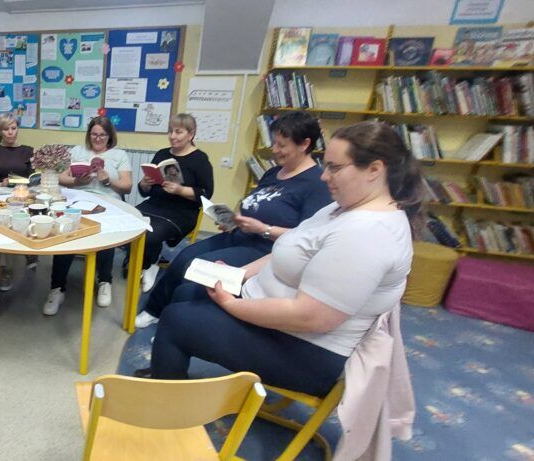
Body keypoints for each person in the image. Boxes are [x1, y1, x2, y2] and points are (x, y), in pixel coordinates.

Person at [134, 120, 421, 399]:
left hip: (307, 349)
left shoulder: (367, 233)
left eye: (334, 168)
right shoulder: (343, 209)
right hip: (280, 315)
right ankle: (167, 370)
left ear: (374, 170)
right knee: (187, 291)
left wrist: (232, 304)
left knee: (177, 320)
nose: (324, 176)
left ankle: (167, 400)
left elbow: (310, 317)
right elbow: (290, 247)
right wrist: (239, 274)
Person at [135, 111, 331, 328]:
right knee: (183, 257)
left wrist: (264, 229)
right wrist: (234, 220)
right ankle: (154, 310)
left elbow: (308, 237)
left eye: (281, 145)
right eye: (274, 143)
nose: (274, 150)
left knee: (197, 269)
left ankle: (179, 320)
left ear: (304, 144)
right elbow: (255, 203)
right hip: (238, 234)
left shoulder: (316, 184)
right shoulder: (274, 172)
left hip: (265, 249)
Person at [44, 116, 132, 315]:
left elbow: (127, 186)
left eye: (102, 135)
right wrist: (76, 182)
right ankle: (57, 288)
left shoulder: (119, 155)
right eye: (94, 134)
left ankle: (104, 281)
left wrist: (108, 180)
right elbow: (61, 178)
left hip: (108, 201)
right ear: (89, 134)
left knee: (106, 233)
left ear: (109, 136)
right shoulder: (77, 151)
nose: (98, 138)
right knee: (65, 232)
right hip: (79, 199)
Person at [135, 114, 214, 293]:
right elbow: (144, 190)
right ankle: (143, 260)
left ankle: (150, 264)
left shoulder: (200, 159)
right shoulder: (162, 154)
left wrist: (180, 190)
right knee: (127, 224)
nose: (172, 136)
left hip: (181, 212)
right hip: (154, 204)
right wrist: (144, 184)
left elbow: (206, 193)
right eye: (170, 131)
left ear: (191, 134)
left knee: (149, 234)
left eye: (178, 132)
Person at [0, 113, 37, 288]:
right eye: (6, 129)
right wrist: (1, 184)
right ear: (0, 131)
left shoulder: (28, 151)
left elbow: (34, 179)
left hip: (23, 194)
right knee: (4, 225)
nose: (11, 132)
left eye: (14, 128)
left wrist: (17, 182)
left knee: (29, 212)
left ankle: (30, 251)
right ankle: (6, 269)